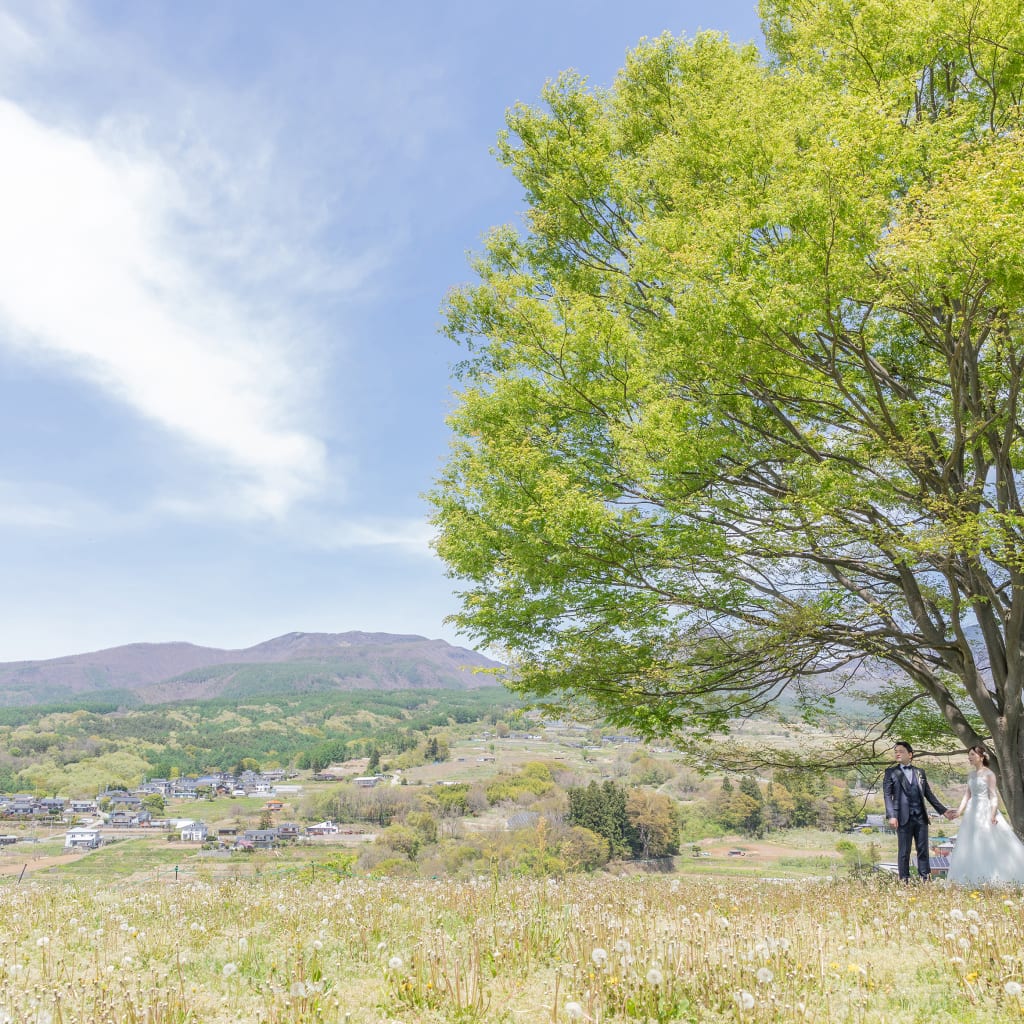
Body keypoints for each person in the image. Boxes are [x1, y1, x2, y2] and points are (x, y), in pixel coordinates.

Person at [947, 745, 1024, 886]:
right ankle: (970, 880)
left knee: (986, 842)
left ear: (981, 757)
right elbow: (967, 795)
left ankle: (992, 878)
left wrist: (993, 814)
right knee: (970, 843)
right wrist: (959, 811)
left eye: (972, 755)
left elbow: (993, 796)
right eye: (969, 755)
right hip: (971, 811)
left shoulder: (989, 774)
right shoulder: (971, 775)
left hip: (985, 810)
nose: (969, 757)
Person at [882, 741, 956, 881]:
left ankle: (925, 881)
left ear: (910, 754)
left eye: (901, 751)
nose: (897, 753)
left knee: (923, 850)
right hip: (902, 817)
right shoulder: (891, 772)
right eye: (896, 751)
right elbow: (887, 795)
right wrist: (891, 815)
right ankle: (904, 881)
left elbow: (928, 794)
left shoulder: (919, 772)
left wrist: (944, 811)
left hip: (921, 817)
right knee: (904, 851)